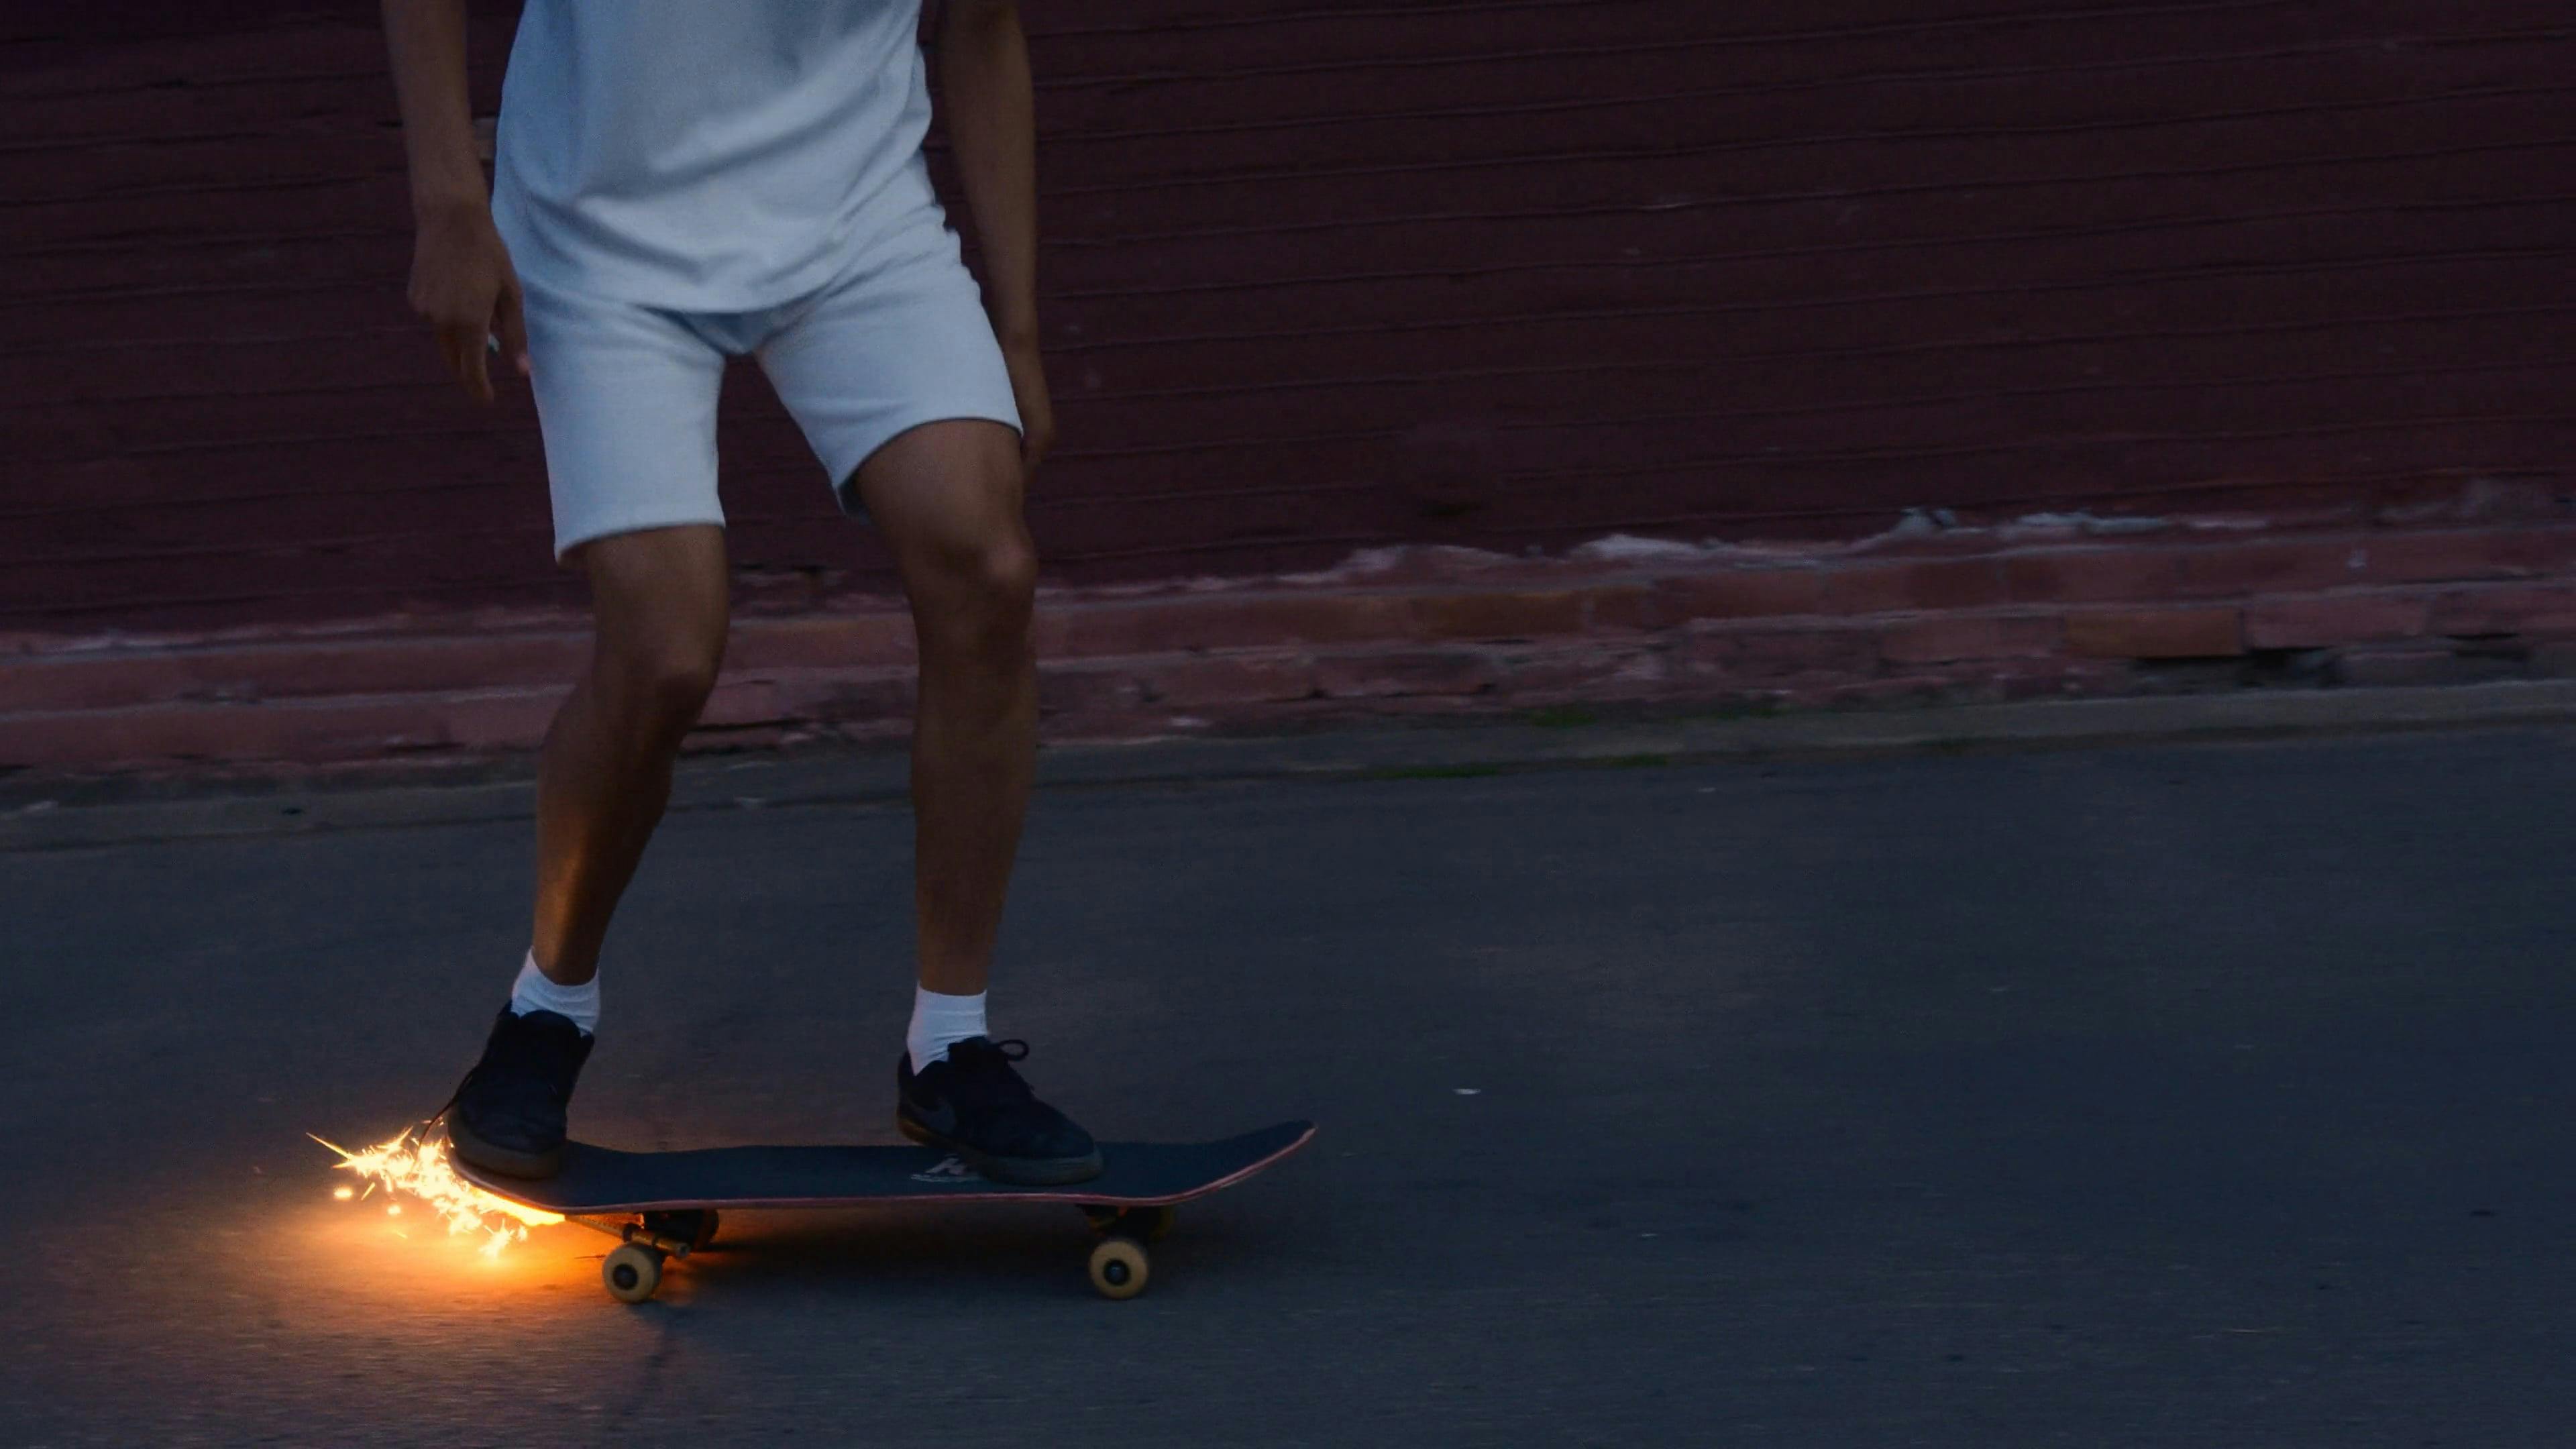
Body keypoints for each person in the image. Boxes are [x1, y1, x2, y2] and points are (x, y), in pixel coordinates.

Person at [379, 0, 1099, 1185]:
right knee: (666, 648)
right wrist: (450, 201)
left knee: (987, 567)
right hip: (596, 230)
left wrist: (1017, 331)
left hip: (855, 217)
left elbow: (981, 27)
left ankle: (952, 1051)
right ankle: (546, 1010)